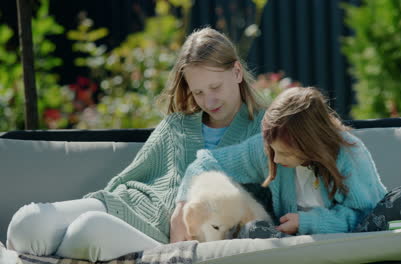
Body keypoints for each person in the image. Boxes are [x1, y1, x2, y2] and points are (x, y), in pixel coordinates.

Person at [6, 27, 269, 262]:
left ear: (236, 72)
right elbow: (130, 179)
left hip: (164, 240)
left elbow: (272, 202)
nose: (209, 100)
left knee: (88, 230)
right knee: (26, 223)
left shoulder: (266, 130)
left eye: (215, 87)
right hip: (125, 205)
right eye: (198, 92)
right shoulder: (177, 124)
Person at [173, 86, 401, 240]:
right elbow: (205, 163)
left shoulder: (349, 154)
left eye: (286, 154)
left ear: (310, 145)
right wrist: (183, 203)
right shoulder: (268, 149)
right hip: (295, 248)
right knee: (254, 229)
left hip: (353, 239)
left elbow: (365, 214)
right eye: (273, 151)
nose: (278, 160)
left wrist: (308, 223)